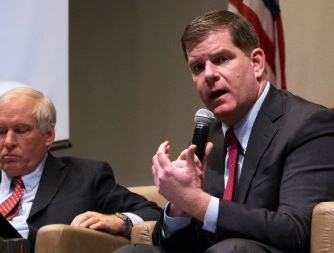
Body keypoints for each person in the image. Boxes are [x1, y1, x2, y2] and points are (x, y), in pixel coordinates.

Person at [115, 9, 334, 253]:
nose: (209, 74)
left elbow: (296, 232)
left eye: (222, 59)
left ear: (257, 63)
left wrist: (197, 202)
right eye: (198, 67)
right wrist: (179, 206)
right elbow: (180, 246)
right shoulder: (210, 136)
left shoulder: (308, 124)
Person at [0, 86, 161, 252]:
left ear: (49, 135)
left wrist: (119, 220)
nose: (9, 141)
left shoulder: (85, 177)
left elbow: (151, 212)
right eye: (1, 131)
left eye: (21, 130)